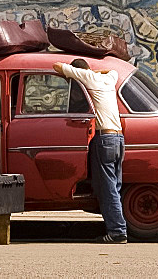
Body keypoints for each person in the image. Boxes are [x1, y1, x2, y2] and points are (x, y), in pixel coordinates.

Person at [53, 58, 127, 244]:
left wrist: (81, 74)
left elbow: (58, 67)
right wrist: (95, 72)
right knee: (115, 187)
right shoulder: (108, 79)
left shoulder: (86, 77)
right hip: (118, 138)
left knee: (108, 188)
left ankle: (117, 231)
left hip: (104, 138)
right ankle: (118, 228)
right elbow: (112, 71)